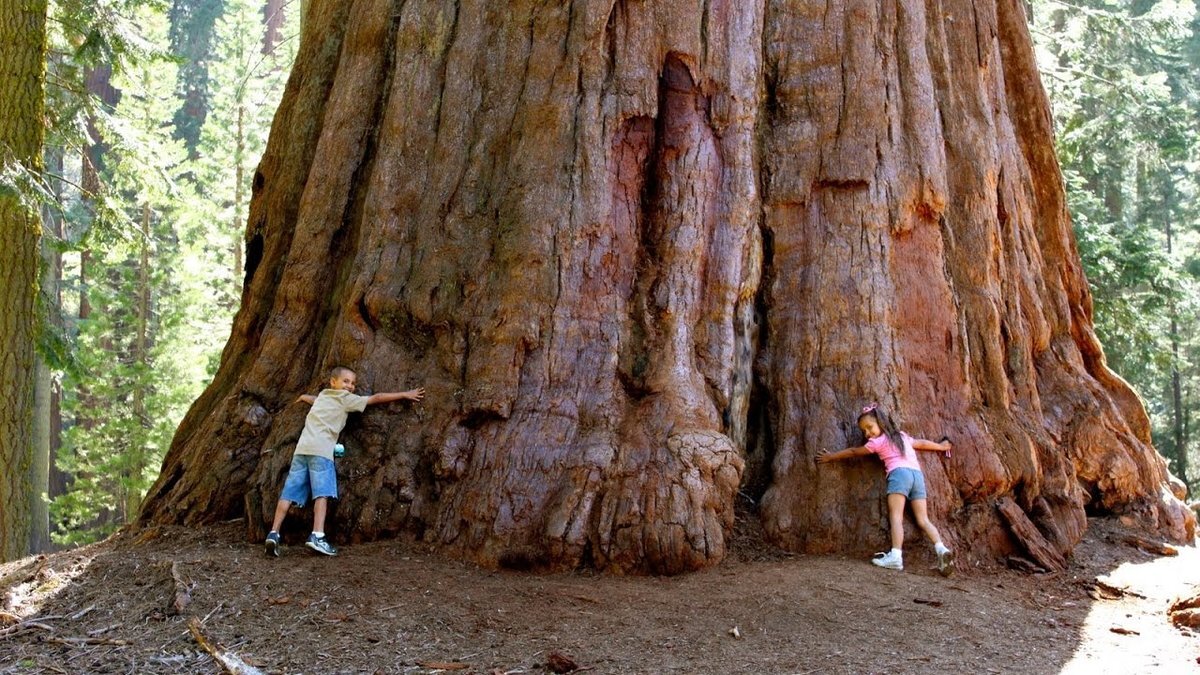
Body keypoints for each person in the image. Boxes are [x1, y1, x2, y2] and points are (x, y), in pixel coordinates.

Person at [265, 366, 425, 557]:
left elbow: (313, 400)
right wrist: (405, 394)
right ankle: (317, 535)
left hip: (302, 450)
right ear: (333, 382)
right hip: (321, 452)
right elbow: (376, 397)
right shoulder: (345, 400)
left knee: (289, 493)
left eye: (353, 383)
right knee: (321, 494)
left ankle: (274, 533)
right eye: (346, 381)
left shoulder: (324, 396)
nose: (350, 386)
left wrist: (303, 397)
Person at [816, 403, 955, 575]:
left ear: (880, 422)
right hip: (917, 476)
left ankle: (896, 556)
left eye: (869, 427)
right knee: (923, 520)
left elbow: (853, 451)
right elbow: (920, 443)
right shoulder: (901, 436)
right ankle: (942, 549)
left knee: (896, 516)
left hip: (899, 474)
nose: (867, 434)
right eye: (864, 431)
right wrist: (942, 447)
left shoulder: (877, 442)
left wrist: (831, 457)